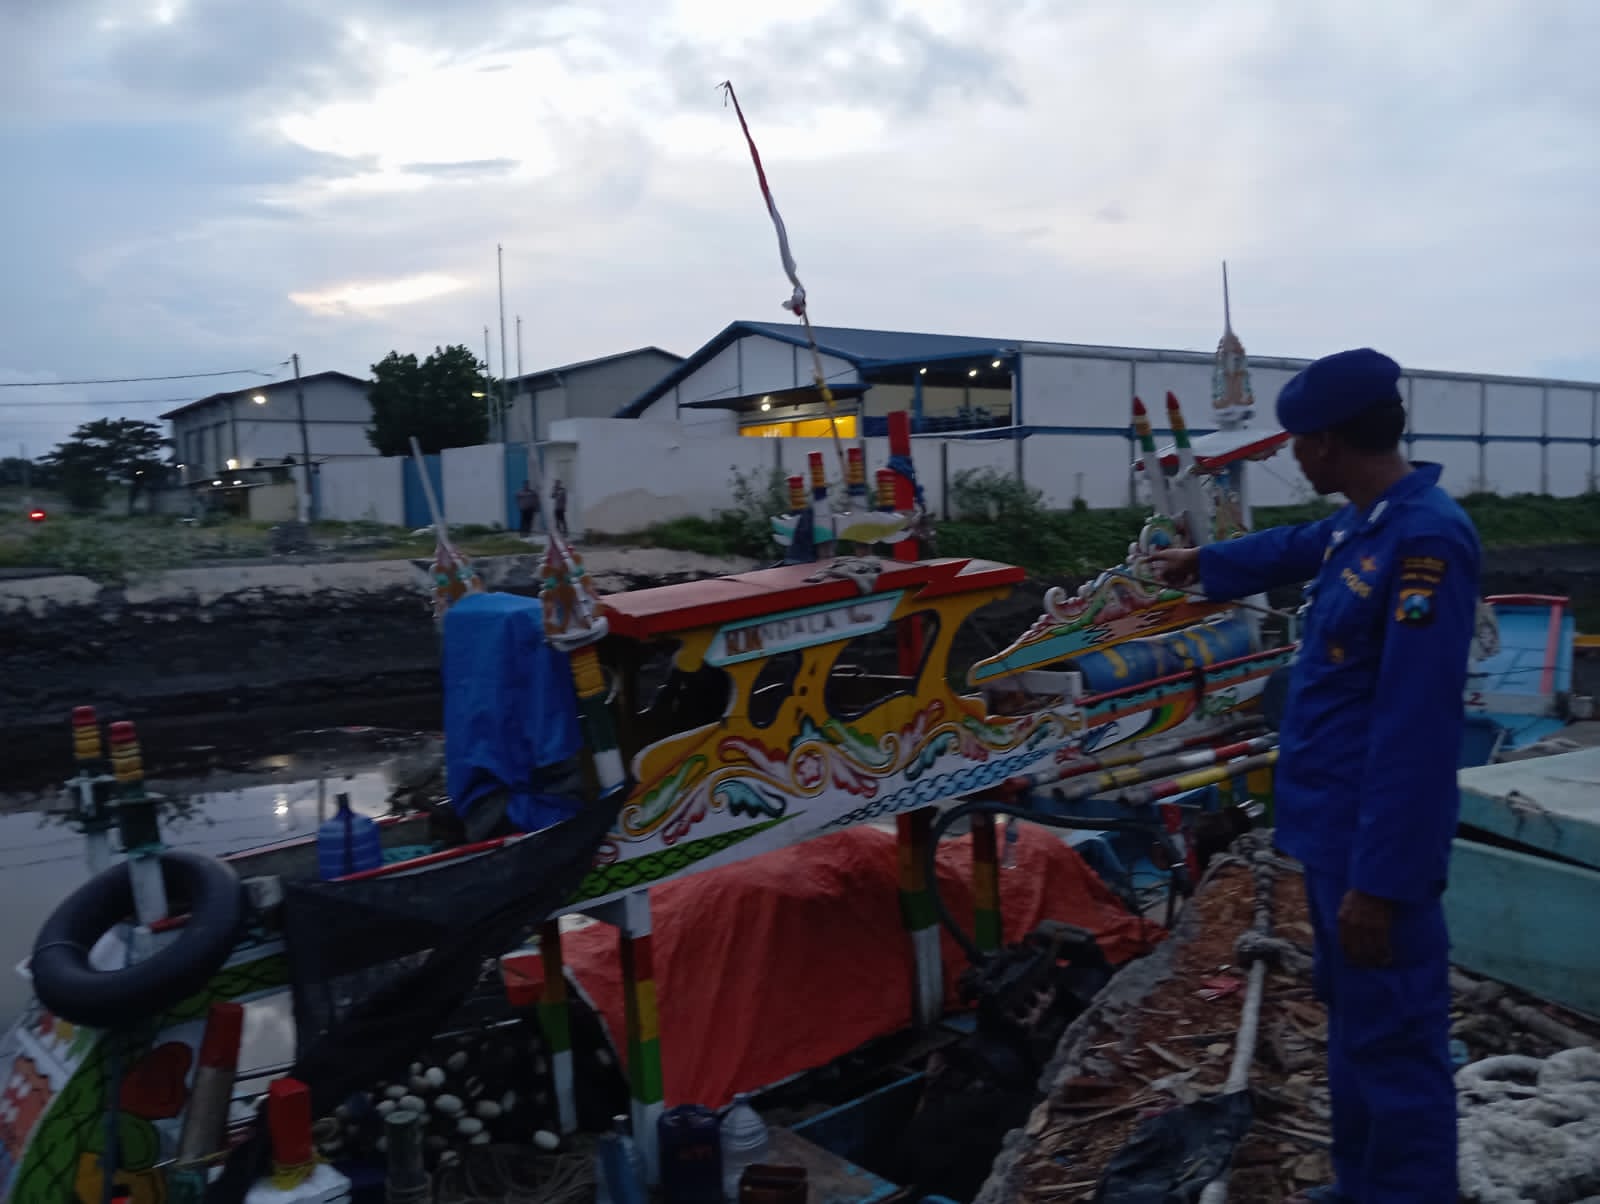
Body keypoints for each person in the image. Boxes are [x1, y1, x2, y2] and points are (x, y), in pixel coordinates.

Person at [1150, 348, 1479, 1204]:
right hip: (1332, 830)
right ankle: (1363, 1184)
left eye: (1298, 443)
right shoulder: (1366, 523)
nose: (1293, 457)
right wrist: (1204, 565)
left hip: (1376, 848)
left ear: (1327, 442)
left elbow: (1416, 729)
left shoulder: (1426, 542)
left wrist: (1384, 883)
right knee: (1357, 1021)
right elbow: (1297, 545)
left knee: (1396, 1037)